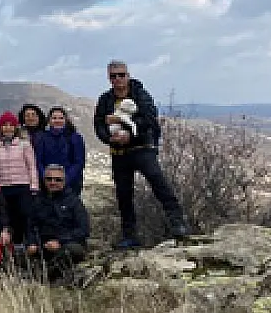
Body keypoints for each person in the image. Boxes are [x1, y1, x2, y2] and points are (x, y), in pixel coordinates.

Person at [93, 60, 189, 248]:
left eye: (121, 74)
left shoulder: (140, 94)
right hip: (119, 153)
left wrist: (130, 134)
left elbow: (149, 119)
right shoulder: (105, 99)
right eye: (113, 76)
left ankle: (178, 223)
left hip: (142, 149)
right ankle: (129, 236)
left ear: (128, 75)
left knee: (159, 183)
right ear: (109, 78)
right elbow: (98, 124)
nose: (118, 79)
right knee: (123, 195)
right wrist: (109, 138)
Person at [26, 164, 90, 286]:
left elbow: (84, 230)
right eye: (49, 179)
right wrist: (31, 242)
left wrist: (60, 242)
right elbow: (31, 225)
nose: (52, 182)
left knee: (73, 250)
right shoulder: (38, 200)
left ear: (64, 181)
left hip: (65, 245)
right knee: (16, 253)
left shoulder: (73, 201)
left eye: (57, 179)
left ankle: (43, 277)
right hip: (43, 245)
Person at [0, 111, 39, 247]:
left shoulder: (24, 145)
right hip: (3, 188)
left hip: (22, 186)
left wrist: (34, 187)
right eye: (4, 125)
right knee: (6, 218)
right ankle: (10, 246)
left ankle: (24, 245)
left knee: (23, 215)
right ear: (0, 128)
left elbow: (32, 167)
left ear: (16, 127)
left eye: (11, 125)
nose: (8, 128)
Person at [33, 107, 86, 195]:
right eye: (54, 118)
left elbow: (79, 162)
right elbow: (38, 161)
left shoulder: (75, 137)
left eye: (61, 118)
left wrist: (64, 179)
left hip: (70, 183)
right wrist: (47, 179)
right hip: (47, 184)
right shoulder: (42, 137)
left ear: (66, 120)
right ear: (49, 121)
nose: (57, 120)